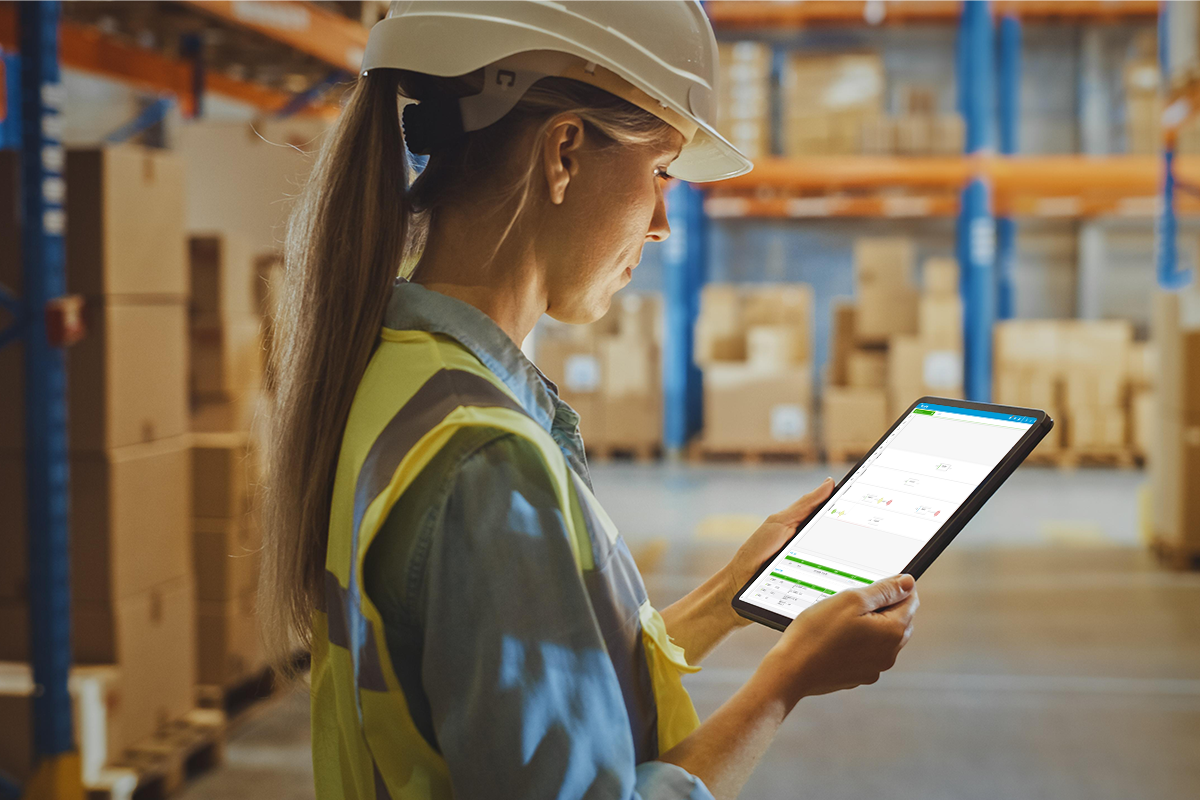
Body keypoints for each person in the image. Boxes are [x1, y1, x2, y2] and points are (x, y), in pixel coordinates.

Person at [259, 3, 920, 799]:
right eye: (662, 170)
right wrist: (785, 682)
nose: (665, 222)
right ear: (565, 151)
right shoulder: (484, 459)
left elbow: (533, 682)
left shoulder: (403, 375)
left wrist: (729, 597)